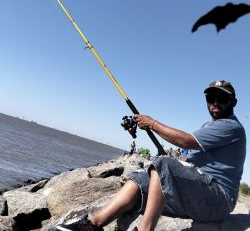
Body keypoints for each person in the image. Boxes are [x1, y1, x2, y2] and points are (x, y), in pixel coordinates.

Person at [55, 80, 246, 231]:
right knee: (139, 179)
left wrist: (152, 124)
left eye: (222, 99)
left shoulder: (231, 126)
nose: (215, 103)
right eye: (211, 98)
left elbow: (186, 141)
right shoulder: (208, 126)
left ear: (234, 103)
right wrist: (172, 165)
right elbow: (188, 158)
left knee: (163, 163)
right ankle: (94, 224)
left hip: (219, 199)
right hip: (200, 192)